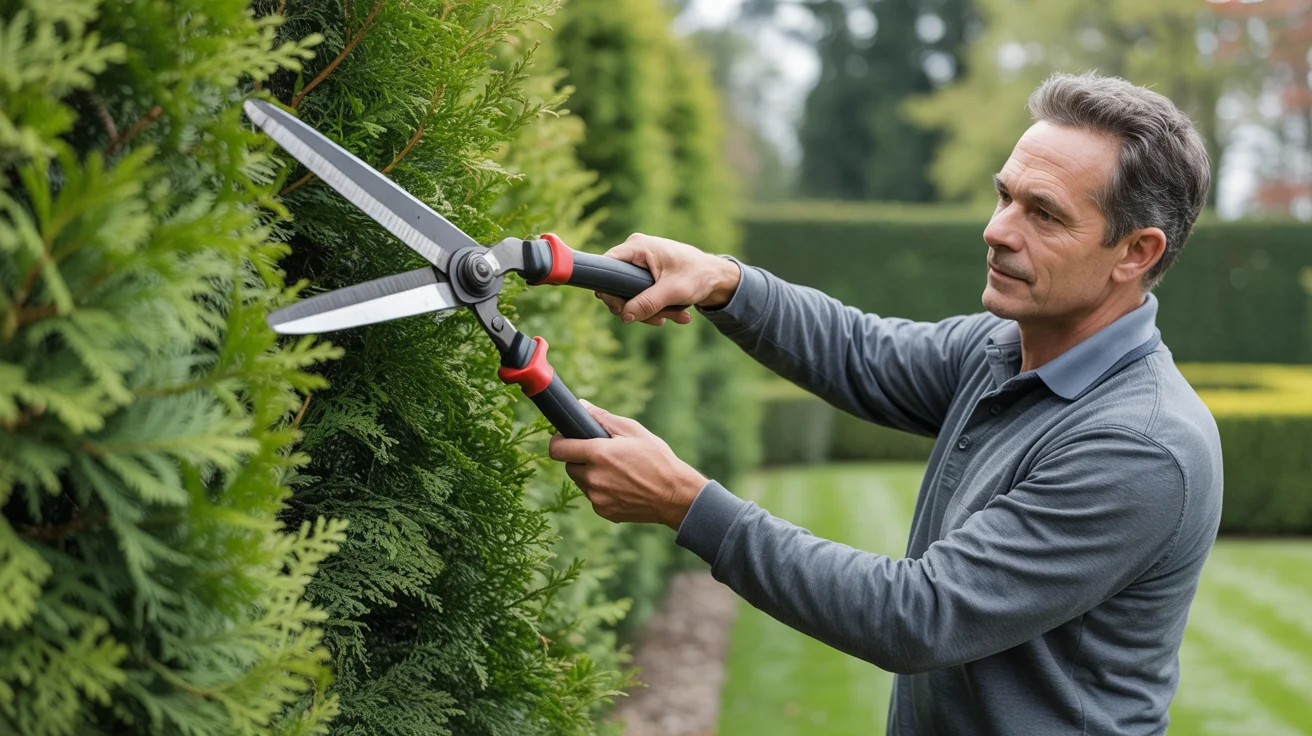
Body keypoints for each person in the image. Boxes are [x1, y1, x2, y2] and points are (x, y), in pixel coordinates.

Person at [548, 71, 1223, 735]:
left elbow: (918, 616)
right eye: (1004, 196)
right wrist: (722, 281)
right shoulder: (1004, 349)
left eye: (1042, 213)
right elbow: (859, 351)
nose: (997, 230)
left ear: (1136, 252)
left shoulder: (1141, 445)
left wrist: (686, 504)